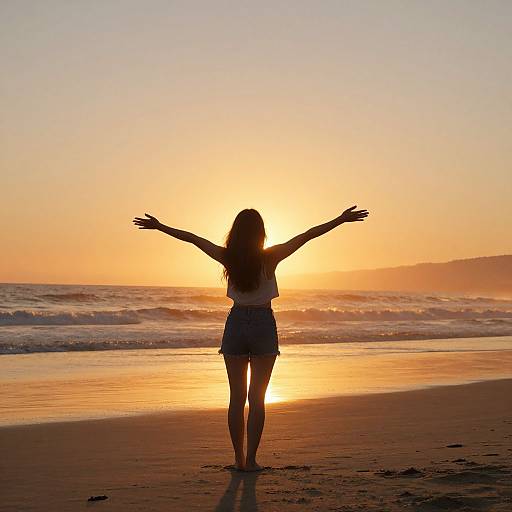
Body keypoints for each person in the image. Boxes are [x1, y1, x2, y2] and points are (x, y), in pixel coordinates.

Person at [133, 205, 369, 471]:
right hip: (263, 324)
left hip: (235, 324)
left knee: (236, 398)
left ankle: (238, 460)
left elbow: (193, 239)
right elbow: (308, 235)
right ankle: (252, 460)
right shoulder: (271, 257)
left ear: (235, 233)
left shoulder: (227, 257)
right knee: (257, 399)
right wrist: (340, 219)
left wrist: (160, 227)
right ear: (261, 233)